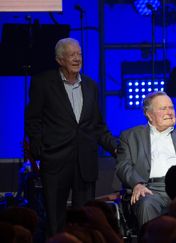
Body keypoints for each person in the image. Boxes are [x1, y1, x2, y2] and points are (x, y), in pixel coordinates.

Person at [24, 37, 118, 236]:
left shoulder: (91, 86)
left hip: (85, 161)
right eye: (72, 55)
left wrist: (115, 147)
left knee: (85, 220)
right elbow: (33, 120)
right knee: (55, 221)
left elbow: (98, 126)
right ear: (60, 60)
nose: (77, 59)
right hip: (55, 161)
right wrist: (40, 149)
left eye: (79, 54)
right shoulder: (43, 83)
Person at [115, 91, 176, 226]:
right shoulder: (131, 136)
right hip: (149, 188)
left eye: (171, 108)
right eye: (163, 108)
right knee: (147, 204)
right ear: (149, 114)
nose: (169, 112)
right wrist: (137, 184)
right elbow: (123, 166)